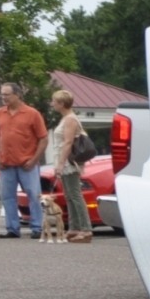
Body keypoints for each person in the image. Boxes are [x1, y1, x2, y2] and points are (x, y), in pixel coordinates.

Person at [0, 83, 48, 238]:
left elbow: (43, 138)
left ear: (17, 95)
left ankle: (37, 227)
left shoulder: (32, 113)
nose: (4, 98)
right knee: (7, 197)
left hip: (27, 164)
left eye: (7, 94)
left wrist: (35, 160)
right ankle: (12, 228)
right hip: (5, 163)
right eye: (2, 94)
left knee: (33, 195)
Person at [44, 89, 93, 243]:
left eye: (54, 101)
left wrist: (60, 163)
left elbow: (68, 142)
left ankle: (86, 230)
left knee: (75, 195)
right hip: (64, 161)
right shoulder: (65, 118)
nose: (52, 104)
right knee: (69, 196)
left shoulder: (70, 119)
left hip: (70, 162)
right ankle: (74, 228)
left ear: (62, 104)